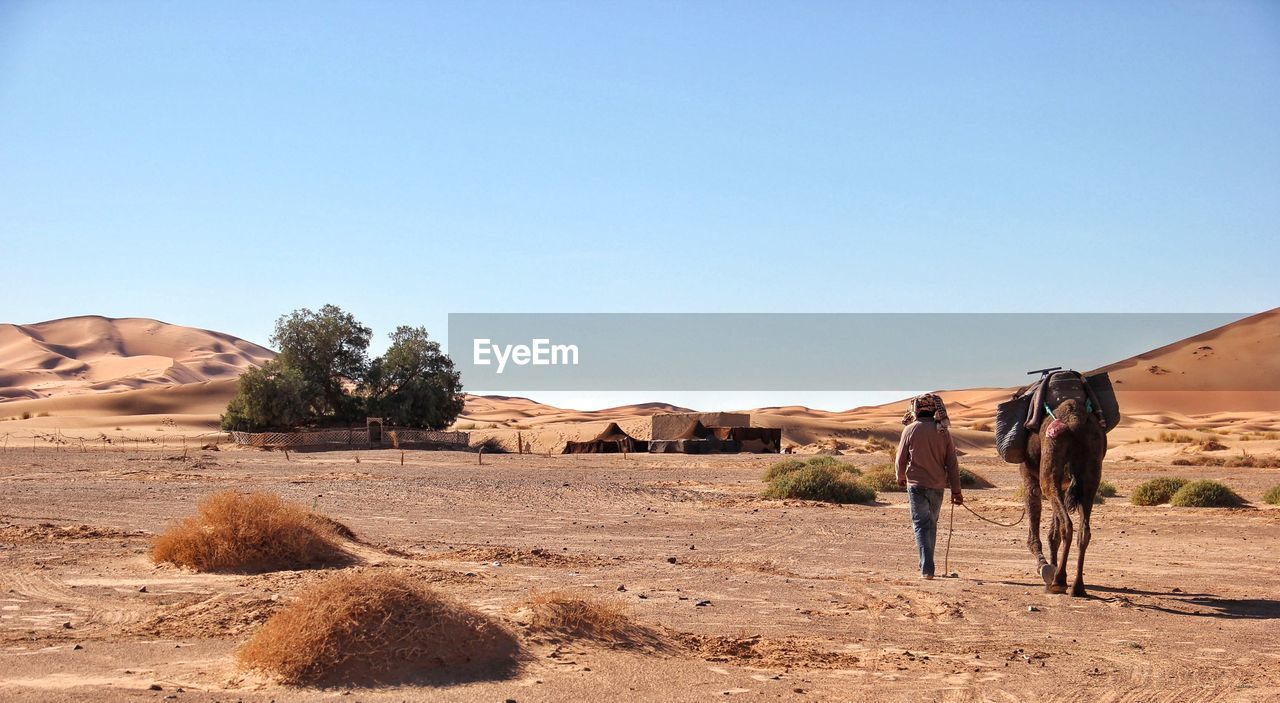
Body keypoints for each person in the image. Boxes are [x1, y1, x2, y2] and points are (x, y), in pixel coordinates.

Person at [895, 394, 963, 579]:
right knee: (930, 524)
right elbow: (952, 463)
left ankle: (927, 567)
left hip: (916, 485)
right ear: (934, 410)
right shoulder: (943, 431)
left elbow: (900, 458)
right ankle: (927, 563)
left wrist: (900, 477)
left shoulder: (909, 430)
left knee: (921, 525)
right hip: (937, 486)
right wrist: (956, 490)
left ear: (916, 409)